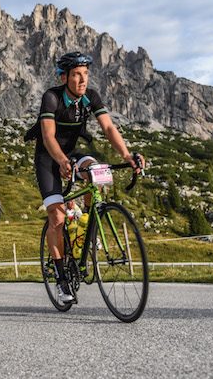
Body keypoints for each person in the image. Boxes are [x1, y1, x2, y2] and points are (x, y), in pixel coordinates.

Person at [27, 51, 144, 303]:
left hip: (72, 153)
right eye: (77, 75)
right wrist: (60, 161)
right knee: (57, 217)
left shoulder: (91, 97)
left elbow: (109, 127)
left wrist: (126, 156)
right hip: (48, 159)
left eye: (86, 74)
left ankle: (89, 232)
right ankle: (60, 279)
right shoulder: (52, 97)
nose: (83, 80)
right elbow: (47, 137)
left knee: (97, 173)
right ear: (65, 77)